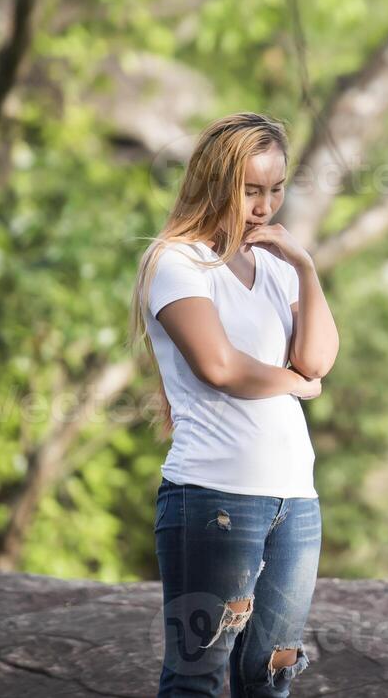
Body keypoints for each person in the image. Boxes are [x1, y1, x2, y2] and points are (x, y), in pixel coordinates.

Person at [129, 111, 339, 697]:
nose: (264, 206)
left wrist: (305, 266)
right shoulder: (176, 263)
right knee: (197, 676)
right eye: (251, 190)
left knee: (269, 675)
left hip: (295, 500)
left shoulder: (276, 267)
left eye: (275, 190)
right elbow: (219, 366)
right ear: (216, 182)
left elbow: (318, 359)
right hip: (215, 498)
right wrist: (294, 384)